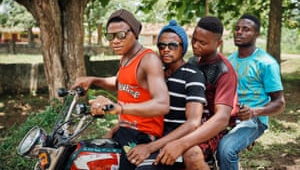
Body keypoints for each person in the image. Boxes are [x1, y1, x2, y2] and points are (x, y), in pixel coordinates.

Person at [72, 9, 170, 170]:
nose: (115, 41)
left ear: (135, 33)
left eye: (121, 35)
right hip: (124, 129)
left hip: (142, 136)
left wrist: (119, 108)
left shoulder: (148, 60)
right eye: (110, 36)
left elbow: (162, 104)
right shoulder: (125, 58)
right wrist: (93, 79)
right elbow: (120, 83)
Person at [152, 16, 239, 169]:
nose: (196, 46)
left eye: (203, 43)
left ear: (218, 43)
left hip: (211, 125)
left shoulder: (224, 71)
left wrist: (181, 143)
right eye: (194, 40)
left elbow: (221, 118)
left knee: (191, 154)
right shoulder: (193, 61)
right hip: (188, 120)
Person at [126, 20, 207, 170]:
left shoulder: (193, 76)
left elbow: (192, 123)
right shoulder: (157, 74)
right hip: (152, 136)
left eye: (172, 45)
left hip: (176, 142)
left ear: (183, 48)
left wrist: (150, 148)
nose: (166, 50)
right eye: (161, 45)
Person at [216, 14, 286, 170]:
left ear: (256, 34)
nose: (239, 32)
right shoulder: (229, 60)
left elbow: (279, 103)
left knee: (226, 150)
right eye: (237, 28)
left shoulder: (266, 63)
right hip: (228, 115)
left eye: (246, 29)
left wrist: (253, 112)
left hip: (254, 121)